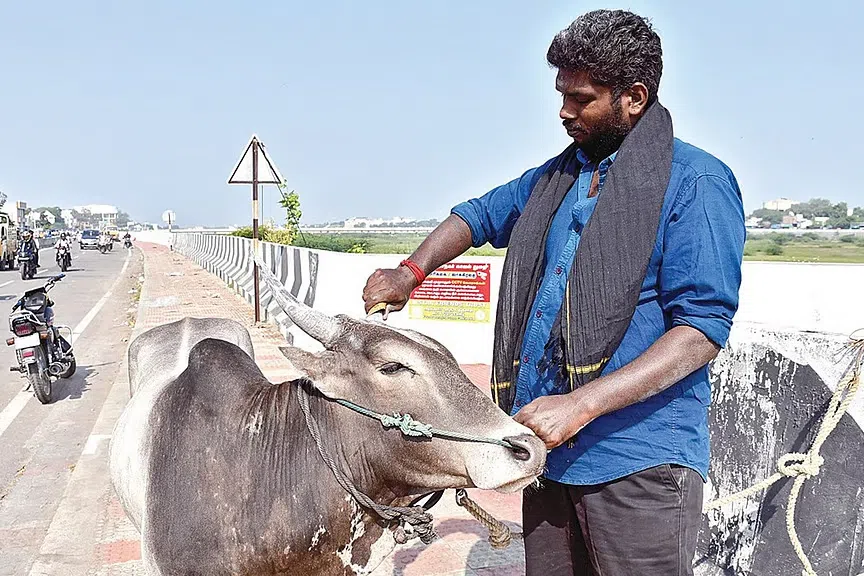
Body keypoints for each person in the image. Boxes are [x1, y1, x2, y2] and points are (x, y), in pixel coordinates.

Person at [362, 9, 745, 576]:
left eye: (582, 98)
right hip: (547, 453)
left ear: (634, 97)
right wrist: (410, 273)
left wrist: (581, 405)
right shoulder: (558, 177)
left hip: (637, 461)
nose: (564, 111)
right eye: (562, 93)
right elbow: (478, 216)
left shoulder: (696, 183)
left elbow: (701, 331)